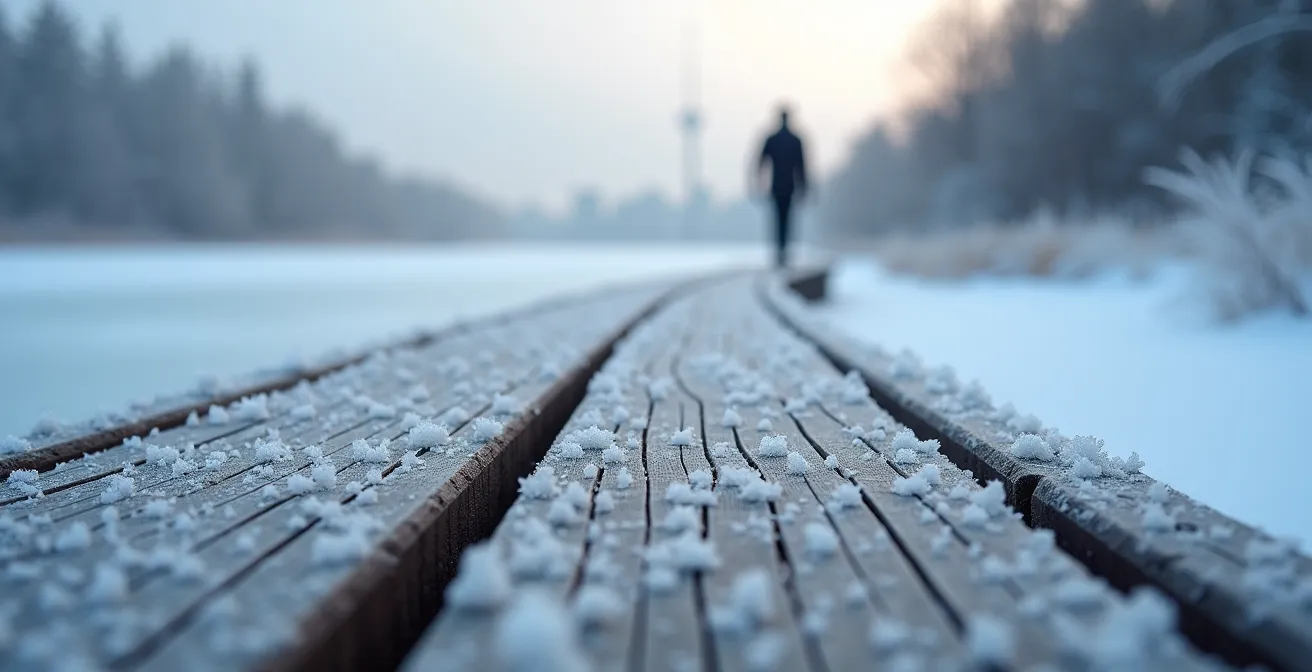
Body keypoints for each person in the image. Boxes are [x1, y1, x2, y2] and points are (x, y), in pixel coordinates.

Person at [756, 105, 808, 269]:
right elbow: (802, 167)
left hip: (777, 186)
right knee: (786, 220)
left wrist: (759, 181)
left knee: (778, 220)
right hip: (789, 187)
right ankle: (783, 251)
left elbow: (761, 162)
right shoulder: (795, 140)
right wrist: (804, 187)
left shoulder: (772, 139)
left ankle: (780, 252)